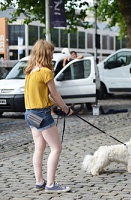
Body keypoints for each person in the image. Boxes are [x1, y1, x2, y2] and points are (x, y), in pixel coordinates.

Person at [24, 39, 74, 193]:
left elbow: (45, 96)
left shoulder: (30, 72)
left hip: (29, 113)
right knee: (56, 148)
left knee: (39, 148)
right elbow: (55, 94)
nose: (53, 56)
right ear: (45, 54)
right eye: (51, 53)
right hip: (41, 114)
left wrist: (57, 105)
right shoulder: (46, 72)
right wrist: (65, 108)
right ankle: (51, 184)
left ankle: (39, 182)